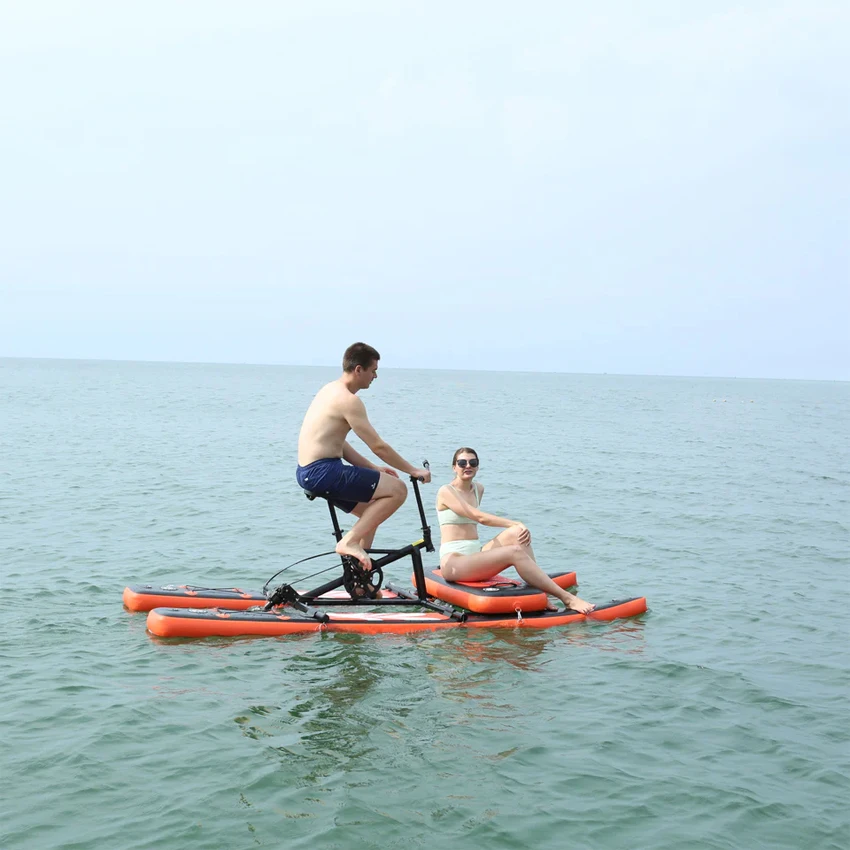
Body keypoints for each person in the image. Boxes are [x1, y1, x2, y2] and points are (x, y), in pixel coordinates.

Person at [296, 342, 431, 571]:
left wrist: (373, 468)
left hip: (310, 471)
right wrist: (413, 470)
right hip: (323, 471)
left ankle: (360, 580)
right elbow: (378, 446)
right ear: (358, 369)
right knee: (398, 490)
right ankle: (348, 542)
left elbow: (340, 444)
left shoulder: (329, 390)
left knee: (371, 515)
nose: (375, 376)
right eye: (373, 370)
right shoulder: (349, 401)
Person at [436, 447, 595, 613]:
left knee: (518, 534)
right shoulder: (446, 491)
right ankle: (568, 599)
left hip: (474, 555)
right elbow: (479, 517)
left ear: (477, 466)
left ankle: (540, 595)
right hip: (454, 562)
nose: (467, 466)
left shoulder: (478, 489)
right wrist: (514, 522)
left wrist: (516, 527)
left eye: (472, 462)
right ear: (454, 467)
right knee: (514, 550)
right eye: (462, 463)